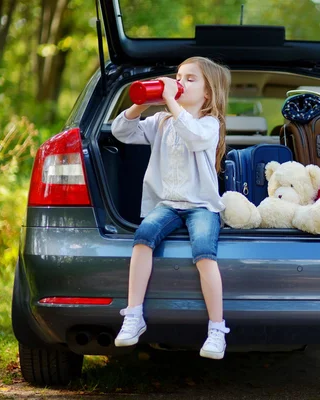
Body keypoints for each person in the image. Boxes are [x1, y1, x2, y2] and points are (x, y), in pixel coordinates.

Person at [110, 56, 231, 360]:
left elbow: (194, 137)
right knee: (143, 238)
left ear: (207, 93)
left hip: (201, 205)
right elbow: (122, 132)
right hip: (168, 204)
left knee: (204, 253)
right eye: (179, 76)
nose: (180, 83)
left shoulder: (208, 124)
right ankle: (133, 315)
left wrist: (171, 104)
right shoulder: (161, 121)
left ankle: (217, 328)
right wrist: (141, 104)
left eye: (191, 79)